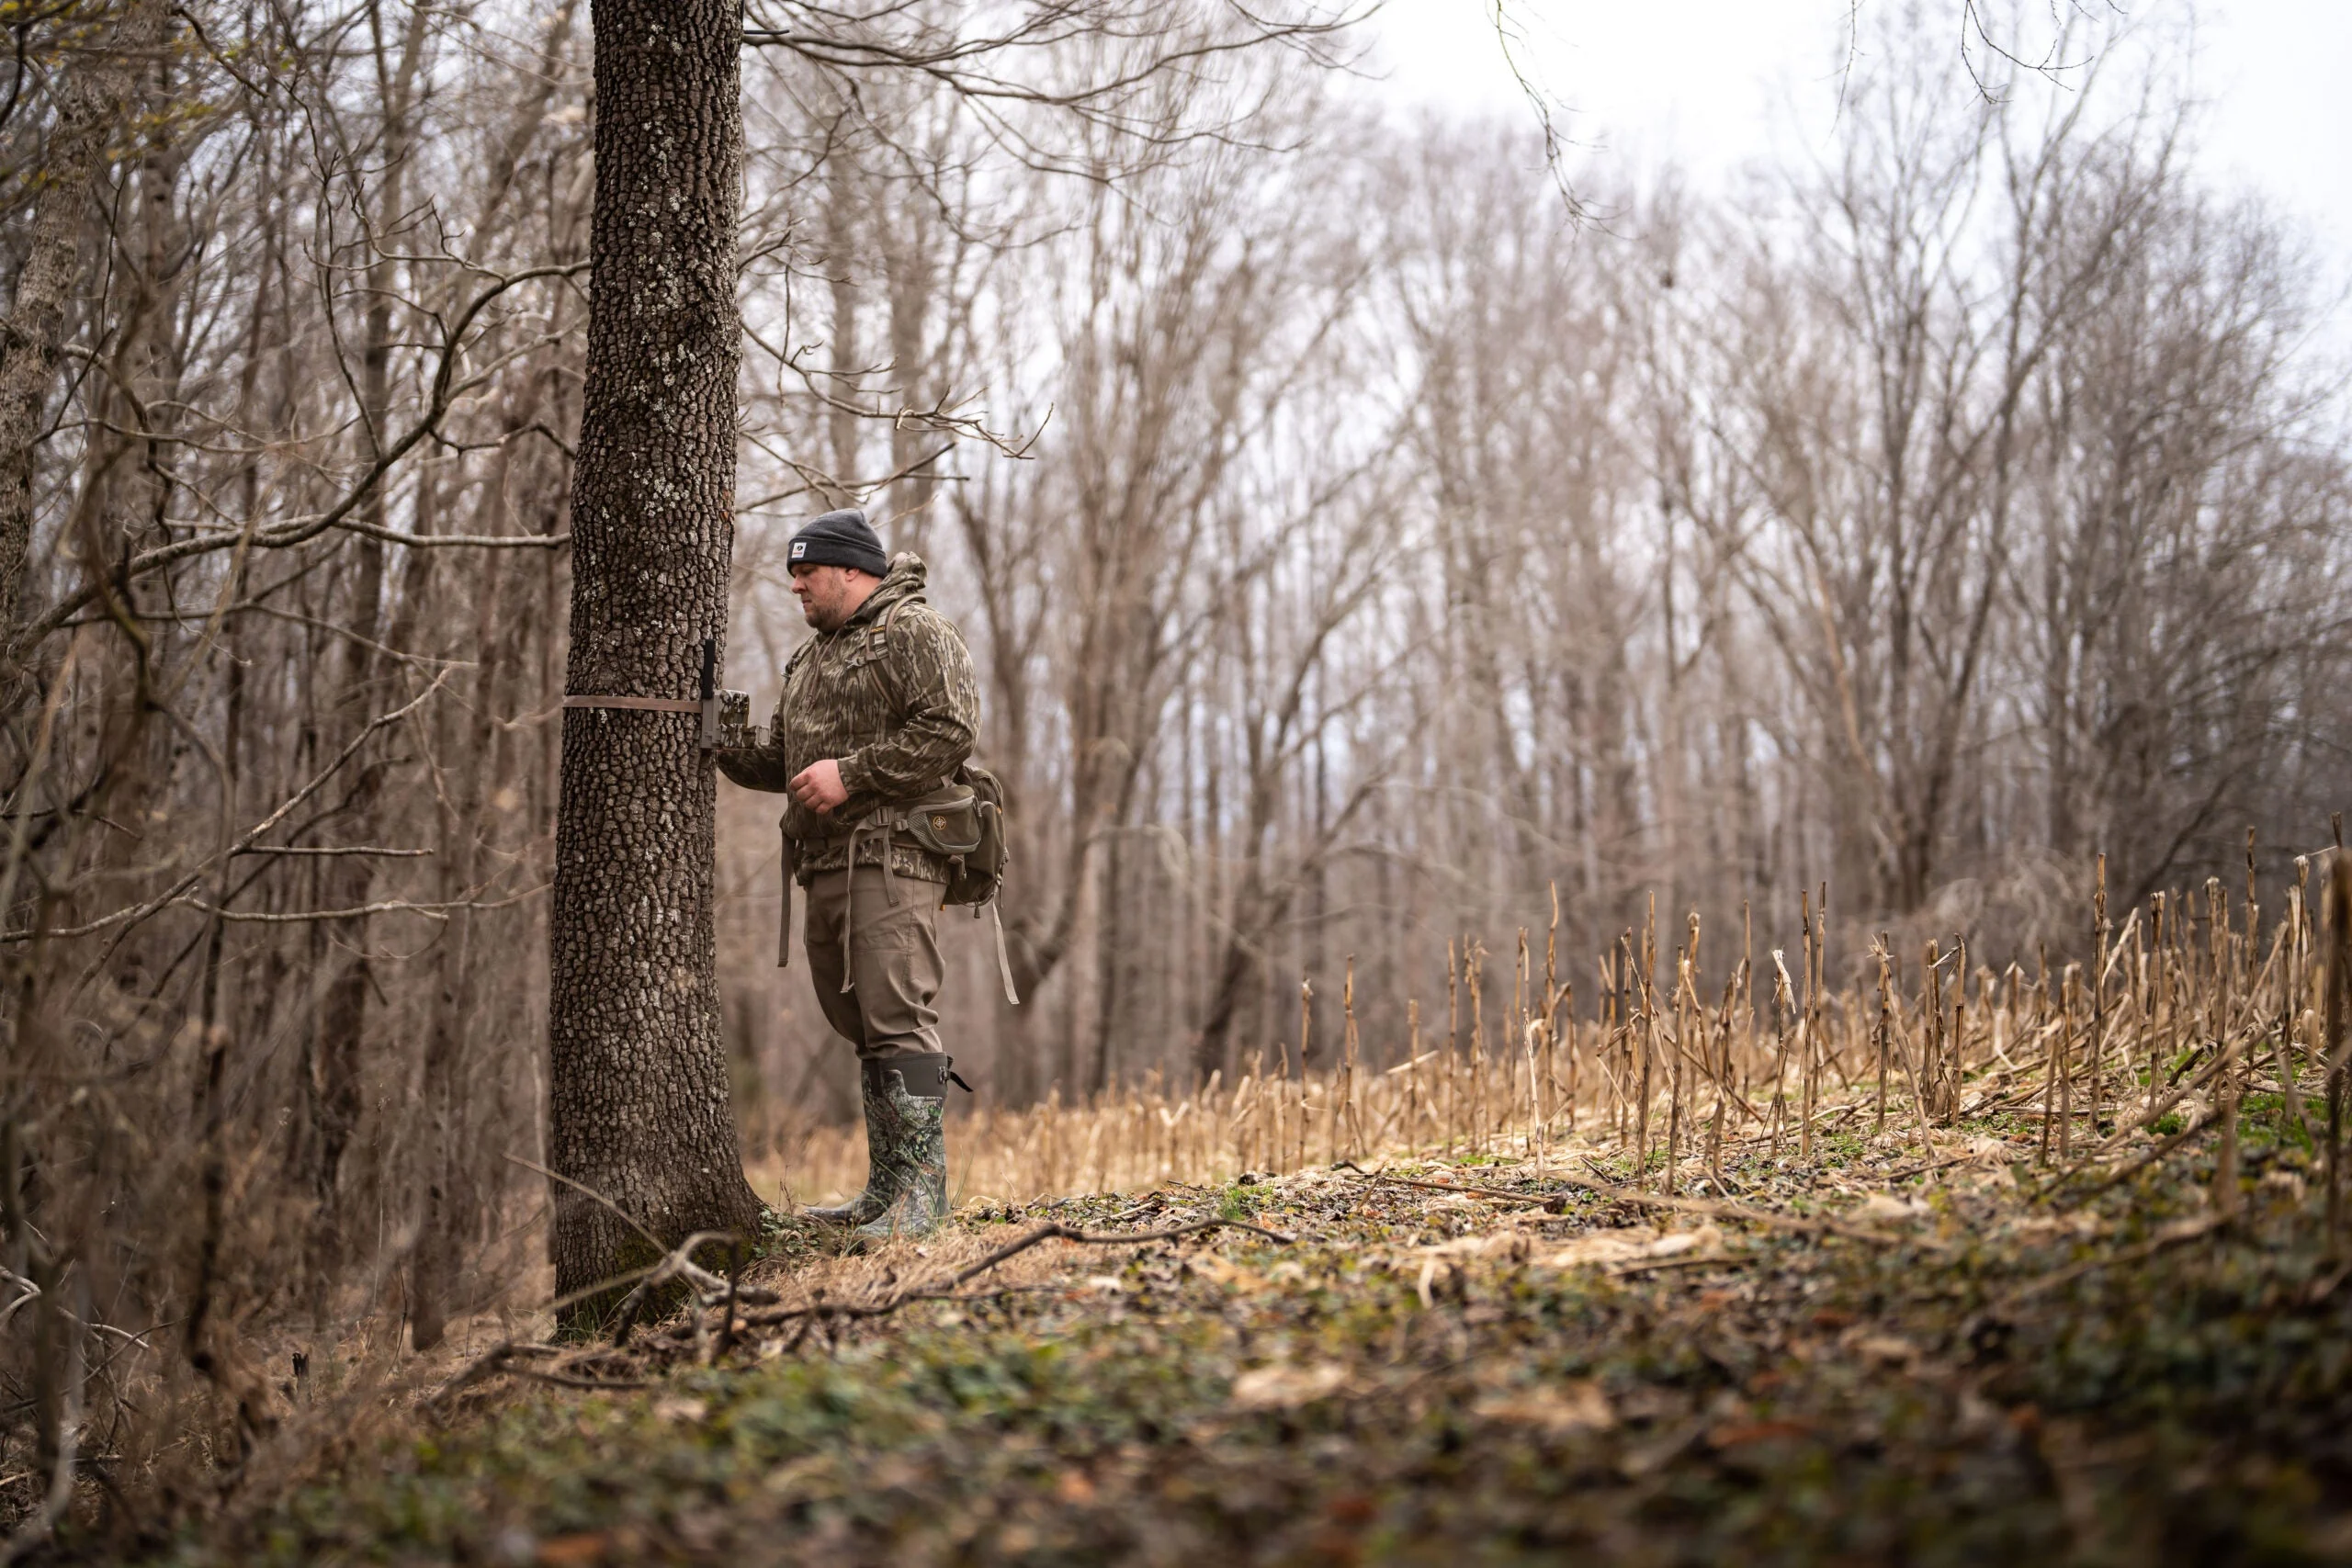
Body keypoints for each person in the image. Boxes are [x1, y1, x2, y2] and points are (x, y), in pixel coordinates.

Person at [716, 508, 979, 1239]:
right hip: (825, 863)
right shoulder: (812, 657)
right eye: (793, 573)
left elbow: (951, 728)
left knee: (898, 1017)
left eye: (809, 571)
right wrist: (727, 743)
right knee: (861, 1024)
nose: (796, 584)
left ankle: (922, 1204)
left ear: (852, 571)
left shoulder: (916, 631)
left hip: (894, 856)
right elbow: (789, 763)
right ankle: (887, 1193)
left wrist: (852, 774)